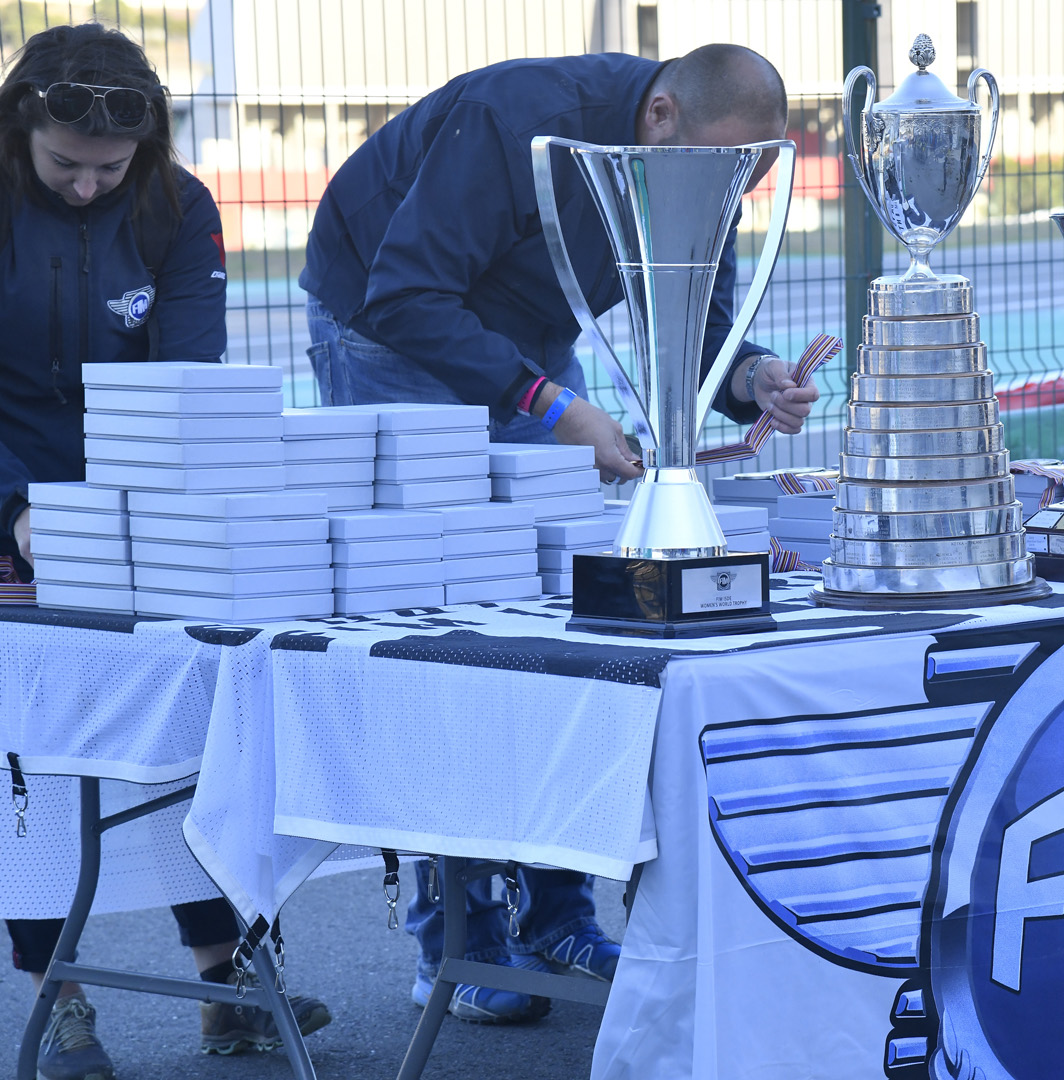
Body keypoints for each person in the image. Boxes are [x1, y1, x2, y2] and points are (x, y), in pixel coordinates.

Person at [297, 43, 819, 1023]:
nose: (725, 193)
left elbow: (697, 321)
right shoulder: (518, 117)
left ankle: (557, 914)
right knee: (447, 629)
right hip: (385, 324)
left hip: (523, 332)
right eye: (712, 171)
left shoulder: (705, 160)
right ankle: (456, 941)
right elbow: (405, 295)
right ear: (659, 116)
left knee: (561, 627)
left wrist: (753, 376)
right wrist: (550, 403)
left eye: (742, 181)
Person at [0, 23, 331, 1079]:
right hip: (9, 488)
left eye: (111, 169)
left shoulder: (178, 206)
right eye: (65, 164)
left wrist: (156, 512)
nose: (88, 187)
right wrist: (16, 506)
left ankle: (226, 982)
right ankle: (59, 998)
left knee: (189, 723)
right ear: (19, 129)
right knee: (28, 754)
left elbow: (187, 379)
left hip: (127, 503)